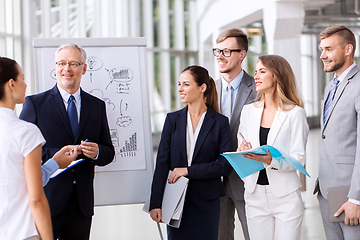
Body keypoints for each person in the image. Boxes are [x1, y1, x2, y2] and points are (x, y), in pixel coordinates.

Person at [20, 43, 115, 240]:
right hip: (46, 199)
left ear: (84, 68)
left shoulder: (97, 106)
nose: (67, 69)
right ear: (55, 67)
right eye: (62, 63)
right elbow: (22, 152)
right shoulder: (35, 104)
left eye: (73, 63)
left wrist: (97, 151)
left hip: (81, 203)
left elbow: (108, 152)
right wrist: (58, 156)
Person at [149, 65, 233, 240]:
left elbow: (224, 166)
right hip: (175, 200)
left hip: (207, 202)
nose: (180, 89)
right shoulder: (172, 120)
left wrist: (187, 170)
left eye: (186, 84)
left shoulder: (220, 122)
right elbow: (162, 163)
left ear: (202, 87)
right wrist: (155, 203)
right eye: (179, 84)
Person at [0, 57, 77, 240]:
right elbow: (35, 199)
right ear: (11, 84)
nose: (25, 85)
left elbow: (17, 178)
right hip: (20, 232)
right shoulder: (25, 131)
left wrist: (54, 163)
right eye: (22, 78)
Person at [237, 55, 309, 240]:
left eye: (262, 71)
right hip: (255, 195)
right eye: (256, 72)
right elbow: (242, 145)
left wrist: (271, 160)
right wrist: (242, 149)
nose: (256, 76)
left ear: (277, 76)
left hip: (285, 196)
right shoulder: (248, 111)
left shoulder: (295, 113)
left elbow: (299, 159)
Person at [314, 24, 360, 239]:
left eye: (329, 49)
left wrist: (356, 198)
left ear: (348, 49)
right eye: (321, 49)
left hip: (349, 193)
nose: (323, 55)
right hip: (326, 190)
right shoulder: (330, 86)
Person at [213, 28, 256, 240]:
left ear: (242, 54)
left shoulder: (258, 89)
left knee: (253, 235)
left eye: (227, 51)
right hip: (215, 180)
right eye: (218, 51)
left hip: (247, 178)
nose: (220, 56)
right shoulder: (209, 90)